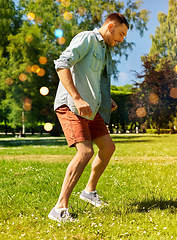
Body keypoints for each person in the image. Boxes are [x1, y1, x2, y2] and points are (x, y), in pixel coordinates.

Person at [48, 13, 129, 222]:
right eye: (120, 34)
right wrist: (77, 97)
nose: (121, 40)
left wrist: (105, 100)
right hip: (72, 105)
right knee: (85, 152)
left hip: (91, 109)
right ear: (110, 26)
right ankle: (59, 208)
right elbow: (62, 64)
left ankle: (89, 192)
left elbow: (94, 80)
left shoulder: (105, 49)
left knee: (108, 147)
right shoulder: (87, 39)